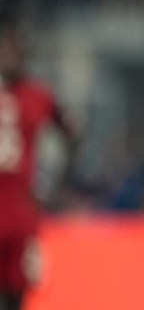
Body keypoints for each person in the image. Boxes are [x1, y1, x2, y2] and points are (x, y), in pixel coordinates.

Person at [0, 21, 79, 310]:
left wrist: (54, 184)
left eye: (15, 49)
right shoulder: (37, 95)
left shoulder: (37, 95)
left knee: (16, 293)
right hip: (16, 209)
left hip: (21, 212)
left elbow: (72, 133)